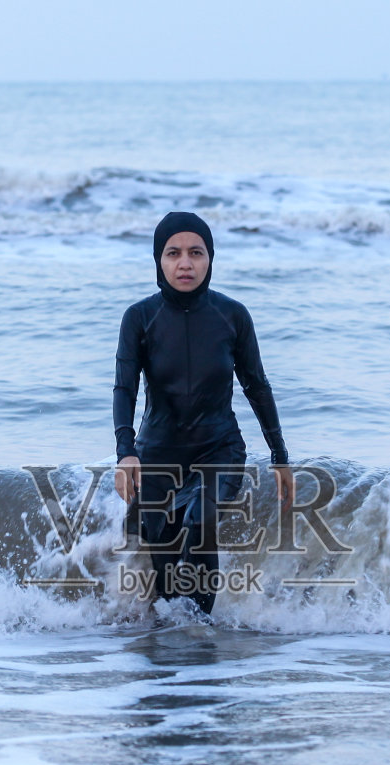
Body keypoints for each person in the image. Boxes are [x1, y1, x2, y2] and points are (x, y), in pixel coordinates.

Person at [112, 211, 295, 616]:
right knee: (166, 576)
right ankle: (170, 638)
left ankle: (202, 632)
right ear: (158, 260)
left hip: (219, 448)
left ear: (210, 258)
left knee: (199, 523)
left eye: (196, 252)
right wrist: (126, 453)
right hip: (157, 456)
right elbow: (124, 388)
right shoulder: (139, 318)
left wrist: (280, 456)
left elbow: (257, 386)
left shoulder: (232, 315)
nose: (185, 263)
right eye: (173, 253)